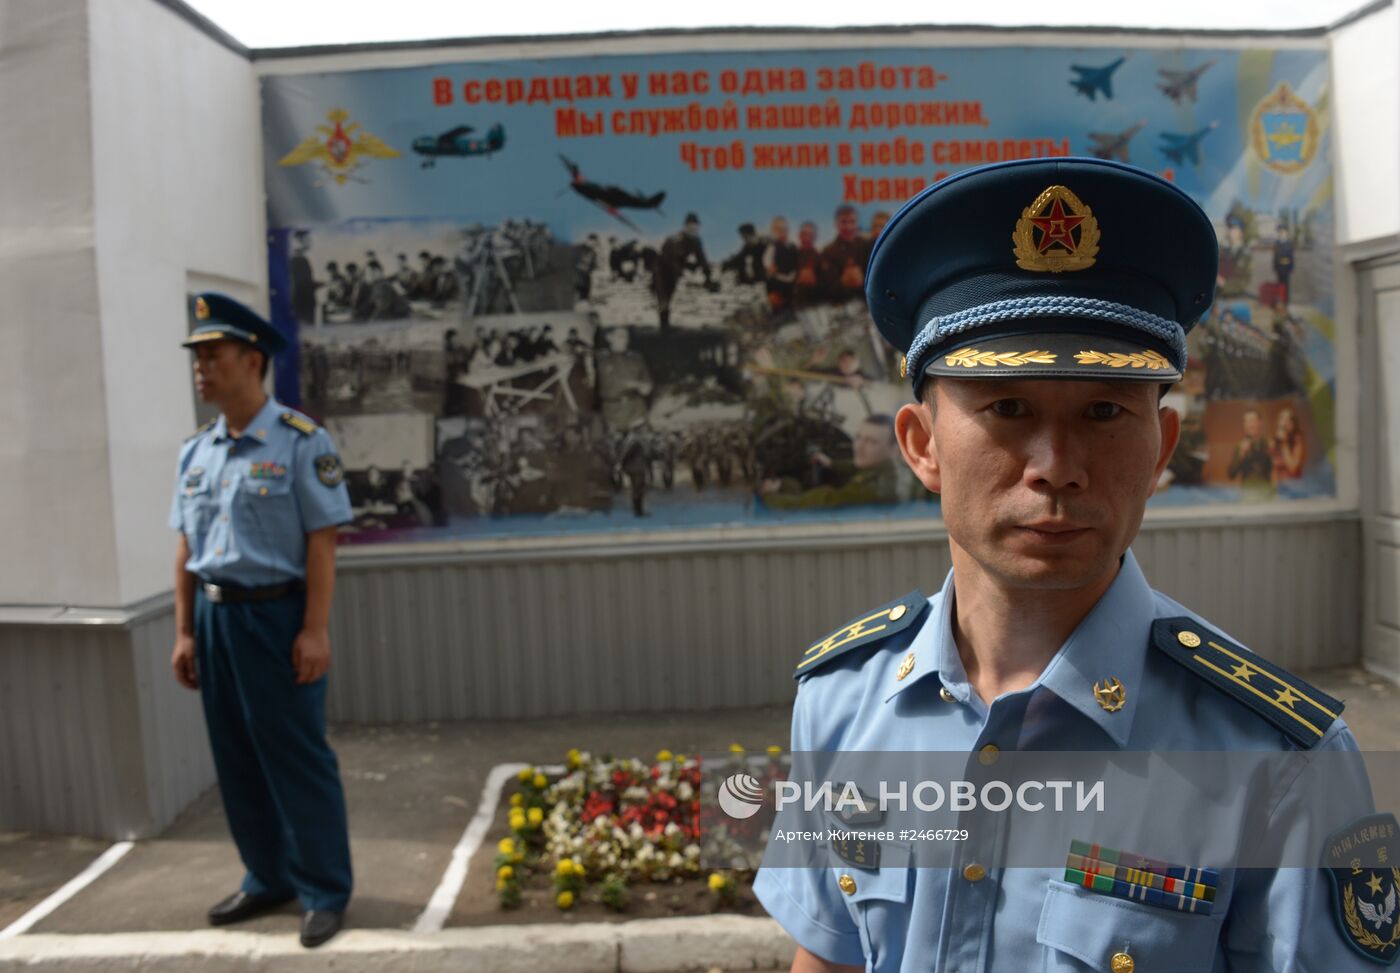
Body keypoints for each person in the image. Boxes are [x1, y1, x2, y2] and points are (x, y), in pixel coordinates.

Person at [753, 158, 1384, 972]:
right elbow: (832, 954)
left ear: (1161, 447)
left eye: (1104, 411)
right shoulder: (842, 703)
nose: (1056, 464)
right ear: (921, 444)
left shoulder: (1282, 762)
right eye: (1008, 407)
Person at [169, 293, 354, 949]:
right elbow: (187, 548)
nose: (201, 367)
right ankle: (267, 875)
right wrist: (185, 629)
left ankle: (324, 887)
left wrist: (315, 628)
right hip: (217, 620)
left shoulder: (302, 440)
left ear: (253, 360)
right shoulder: (197, 452)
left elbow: (322, 543)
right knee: (236, 755)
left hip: (276, 617)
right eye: (197, 357)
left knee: (296, 755)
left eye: (212, 355)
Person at [760, 414, 900, 510]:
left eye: (871, 441)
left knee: (790, 485)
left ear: (894, 450)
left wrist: (769, 494)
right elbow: (859, 465)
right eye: (858, 438)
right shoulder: (889, 467)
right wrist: (831, 463)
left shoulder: (870, 491)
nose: (858, 447)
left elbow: (821, 500)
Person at [652, 212, 716, 329]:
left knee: (669, 296)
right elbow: (673, 260)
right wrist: (686, 272)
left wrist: (708, 277)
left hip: (676, 269)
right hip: (662, 269)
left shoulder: (696, 240)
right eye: (690, 227)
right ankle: (664, 328)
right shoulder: (677, 239)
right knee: (663, 296)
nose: (693, 230)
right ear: (685, 227)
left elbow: (702, 259)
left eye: (695, 227)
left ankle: (665, 326)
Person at [818, 205, 872, 304]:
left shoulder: (867, 246)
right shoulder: (828, 251)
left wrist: (863, 280)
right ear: (836, 224)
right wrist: (843, 282)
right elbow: (825, 289)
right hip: (839, 307)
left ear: (857, 223)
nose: (848, 227)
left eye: (852, 221)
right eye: (844, 222)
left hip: (867, 306)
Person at [1271, 405, 1307, 481]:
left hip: (1293, 484)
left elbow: (1293, 470)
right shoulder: (1274, 442)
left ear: (1293, 424)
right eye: (1282, 418)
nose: (1284, 422)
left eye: (1288, 420)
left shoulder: (1298, 440)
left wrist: (1284, 444)